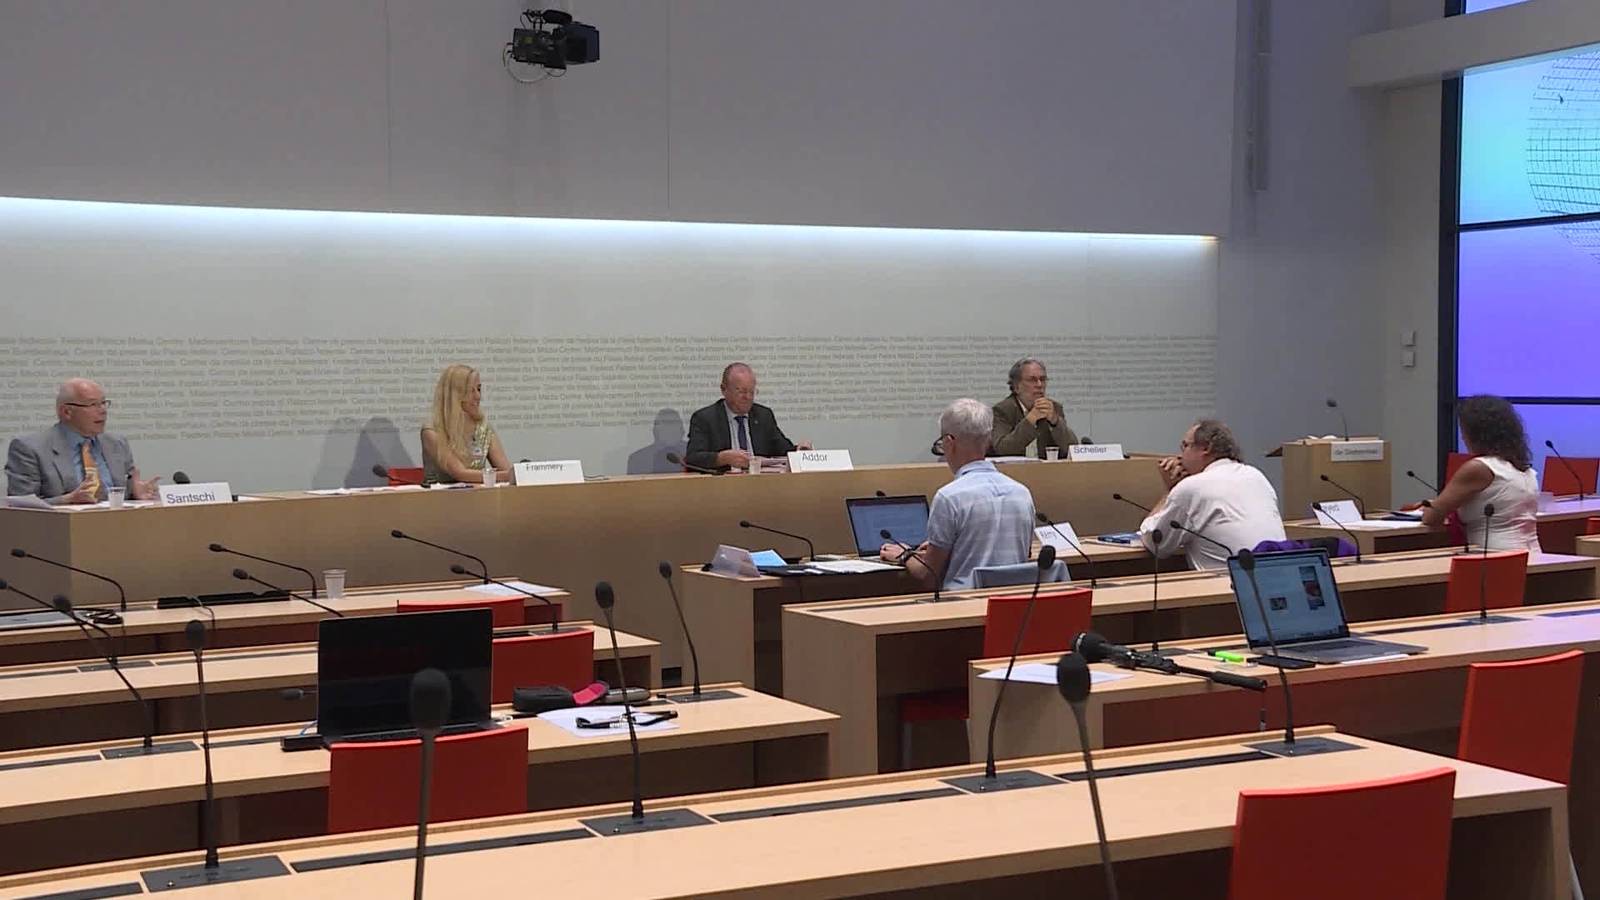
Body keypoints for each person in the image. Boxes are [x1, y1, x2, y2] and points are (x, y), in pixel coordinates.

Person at [879, 399, 1035, 590]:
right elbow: (1023, 555)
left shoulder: (950, 498)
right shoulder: (1021, 493)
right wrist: (951, 548)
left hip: (965, 602)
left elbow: (928, 576)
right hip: (1011, 603)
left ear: (949, 443)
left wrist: (904, 555)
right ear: (988, 440)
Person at [1139, 418, 1285, 570]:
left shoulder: (1193, 487)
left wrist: (1170, 491)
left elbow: (1156, 543)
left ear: (1206, 448)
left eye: (1185, 446)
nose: (1180, 457)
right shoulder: (1256, 476)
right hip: (1277, 576)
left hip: (1228, 582)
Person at [6, 378, 159, 504]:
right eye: (93, 404)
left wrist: (135, 493)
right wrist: (66, 500)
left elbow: (120, 496)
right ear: (67, 412)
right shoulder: (29, 448)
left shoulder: (116, 444)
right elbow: (21, 505)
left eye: (103, 403)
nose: (103, 410)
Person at [1419, 395, 1541, 551]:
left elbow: (1431, 517)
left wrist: (1433, 506)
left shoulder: (1479, 468)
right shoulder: (1525, 470)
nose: (1463, 437)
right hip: (1532, 554)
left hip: (1492, 555)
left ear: (1476, 433)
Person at [683, 363, 811, 472]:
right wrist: (721, 458)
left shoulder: (763, 415)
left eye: (752, 392)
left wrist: (800, 451)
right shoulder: (705, 418)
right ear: (724, 389)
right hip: (722, 486)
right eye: (742, 392)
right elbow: (693, 459)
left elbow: (782, 450)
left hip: (760, 483)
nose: (748, 397)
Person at [420, 364, 510, 486]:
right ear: (455, 395)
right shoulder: (432, 431)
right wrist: (507, 475)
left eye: (479, 389)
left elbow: (505, 468)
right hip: (441, 495)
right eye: (470, 391)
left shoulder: (483, 428)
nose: (478, 396)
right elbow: (459, 473)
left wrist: (518, 472)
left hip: (478, 493)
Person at [989, 357, 1079, 458]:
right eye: (1032, 380)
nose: (1039, 385)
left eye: (1042, 379)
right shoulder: (1003, 410)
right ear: (1016, 386)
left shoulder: (1054, 408)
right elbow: (1002, 449)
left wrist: (1055, 422)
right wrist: (1030, 420)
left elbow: (1073, 449)